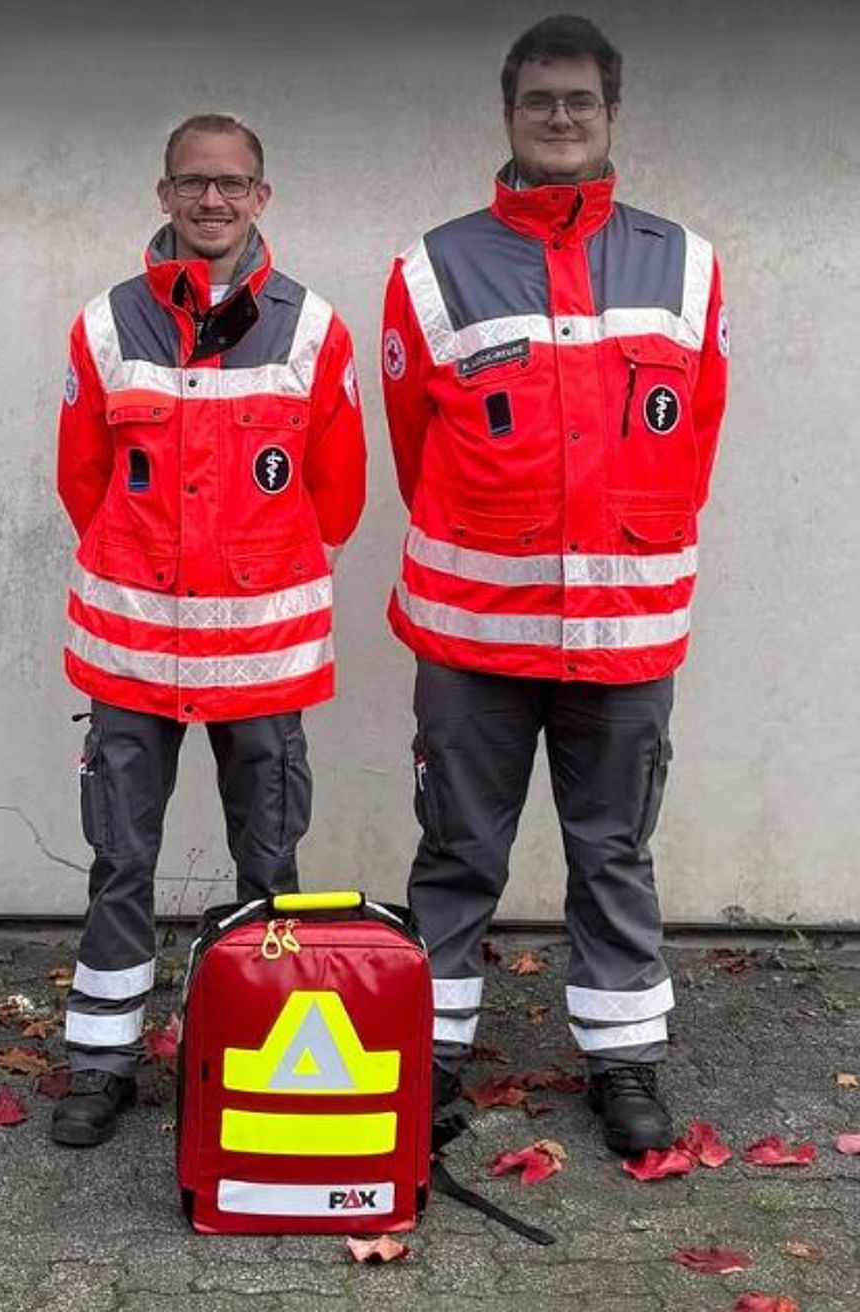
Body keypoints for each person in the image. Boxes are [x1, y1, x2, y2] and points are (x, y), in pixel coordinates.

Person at [381, 16, 727, 1155]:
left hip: (625, 635)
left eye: (581, 101)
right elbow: (411, 449)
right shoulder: (432, 266)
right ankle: (426, 1060)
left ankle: (624, 1066)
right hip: (475, 633)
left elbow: (693, 444)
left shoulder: (687, 260)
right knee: (458, 850)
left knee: (613, 849)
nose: (561, 118)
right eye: (541, 101)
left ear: (613, 114)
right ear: (510, 113)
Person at [53, 114, 366, 1146]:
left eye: (232, 184)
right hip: (132, 655)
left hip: (264, 660)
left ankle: (260, 1057)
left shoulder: (315, 330)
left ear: (261, 197)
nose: (213, 201)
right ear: (164, 194)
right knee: (120, 864)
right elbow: (84, 482)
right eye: (194, 183)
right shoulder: (105, 327)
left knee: (270, 868)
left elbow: (338, 496)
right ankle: (102, 1066)